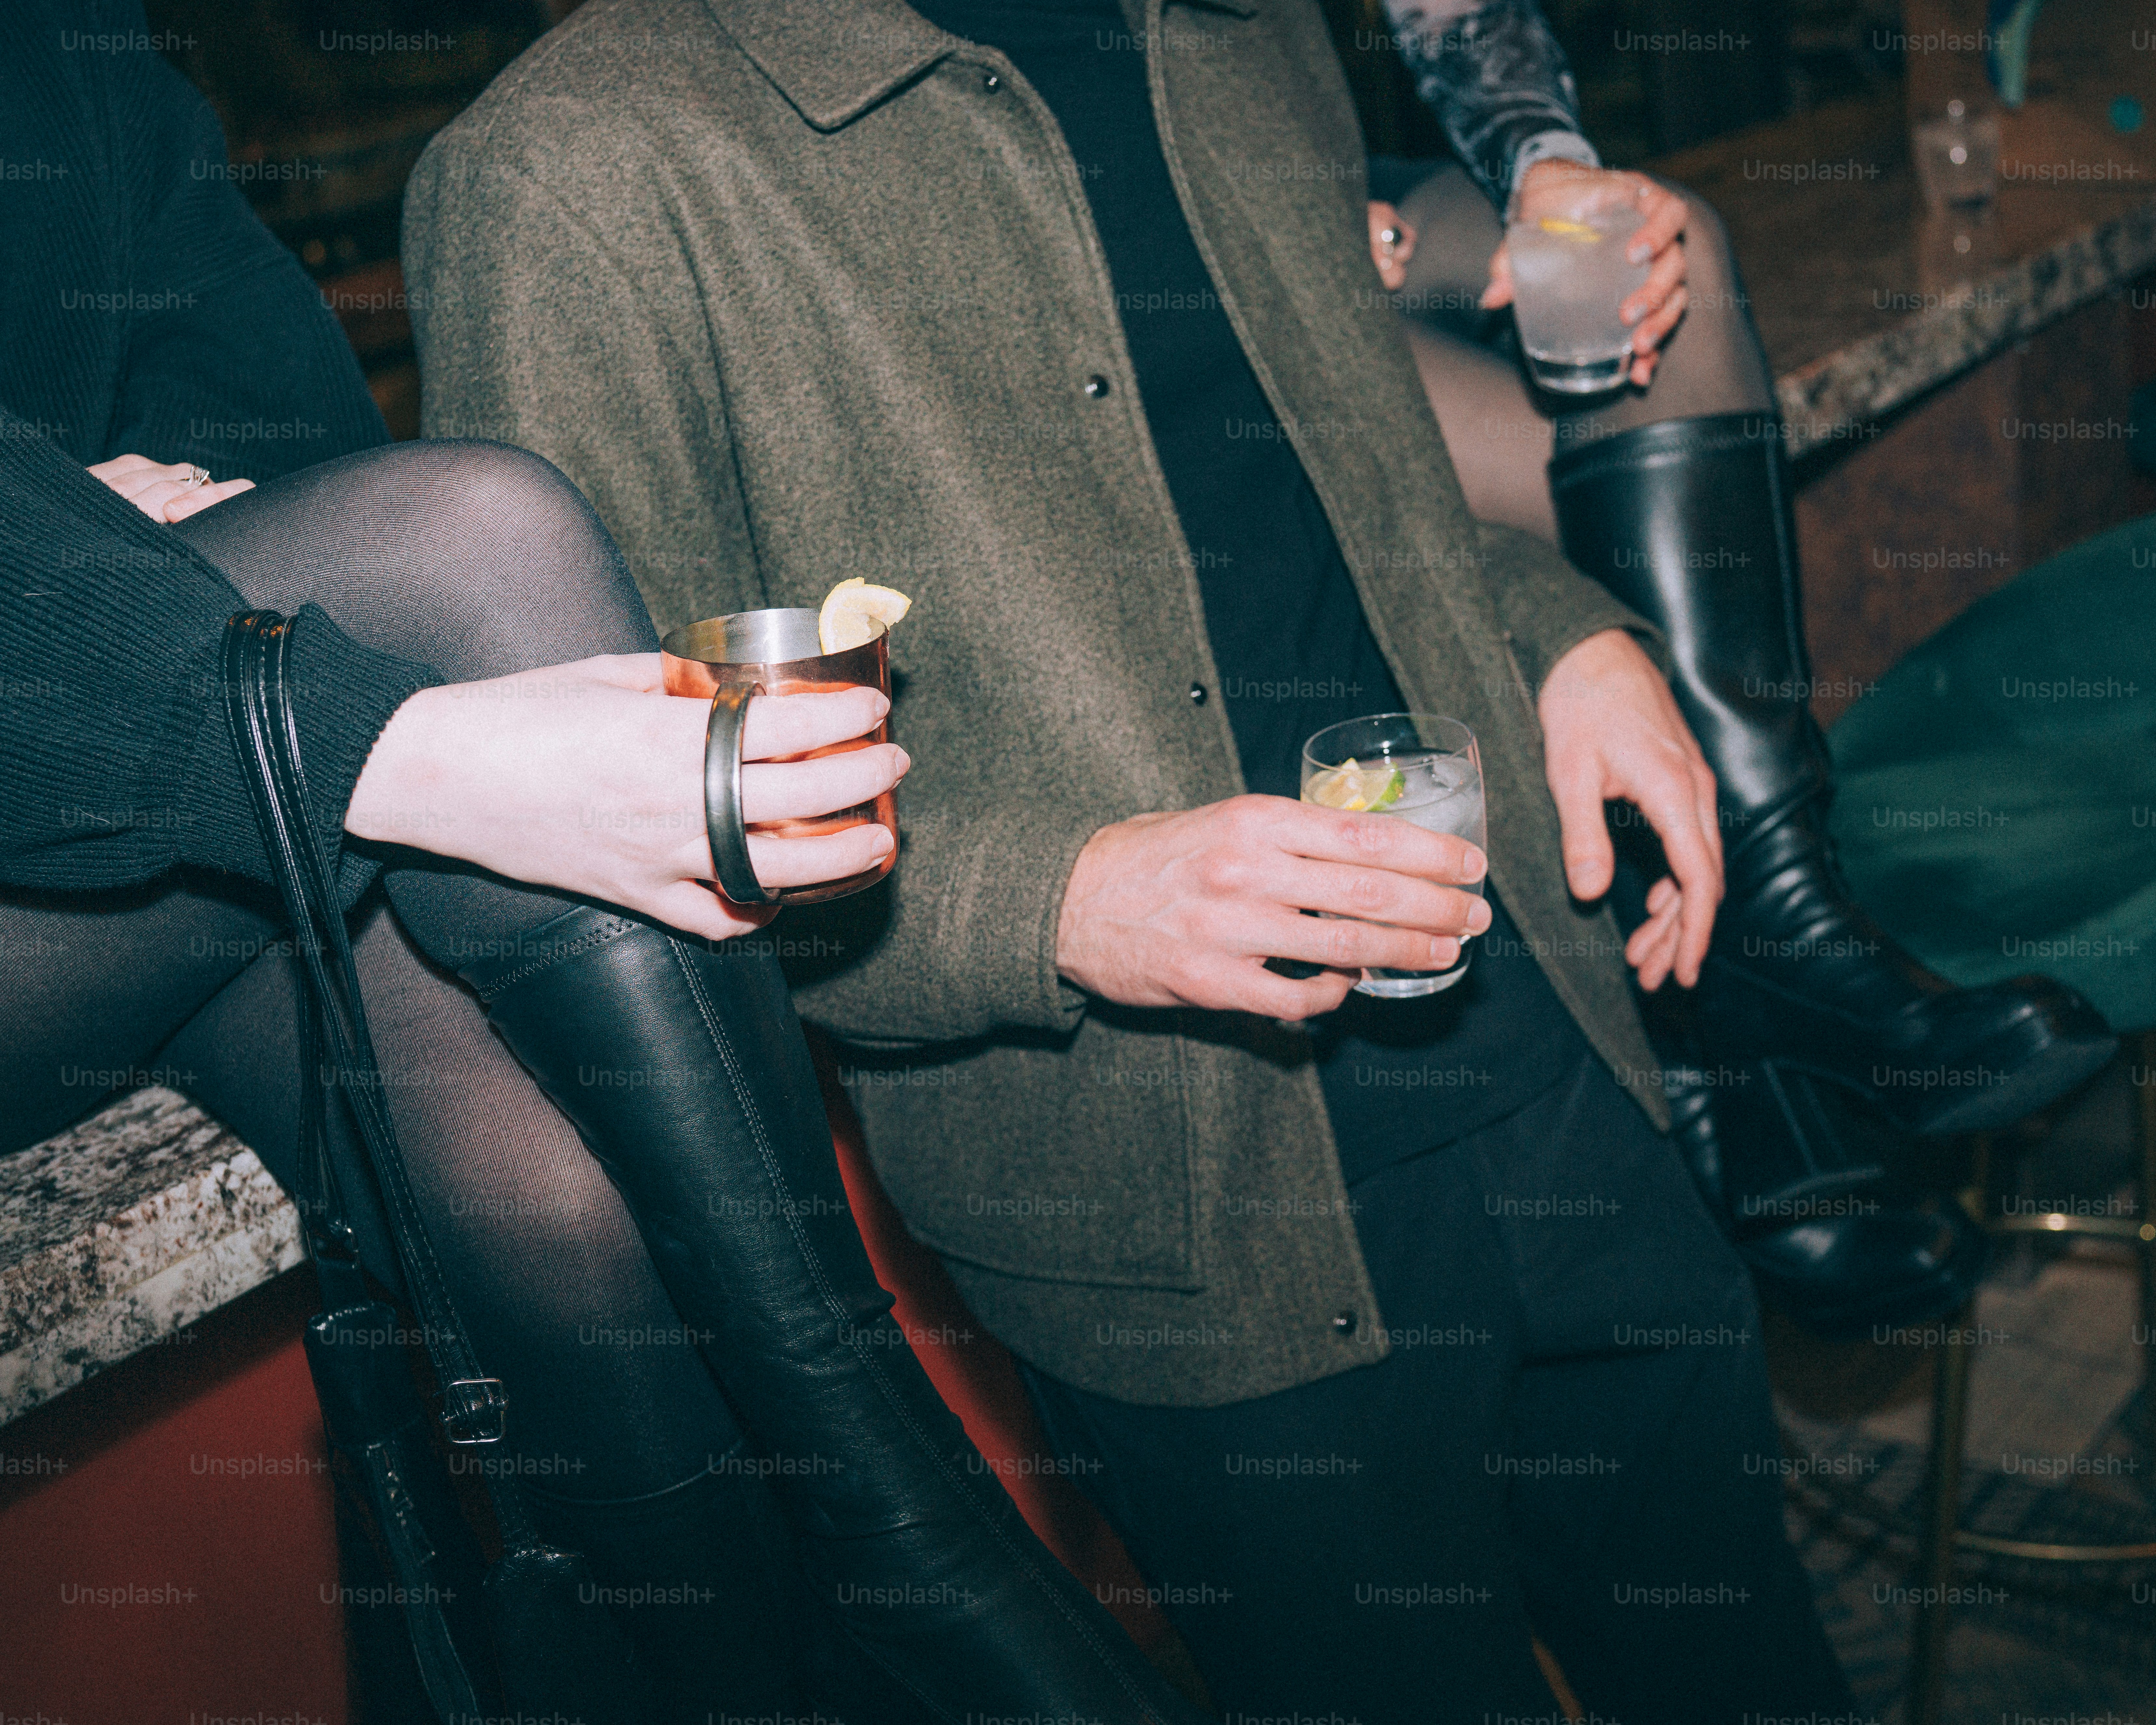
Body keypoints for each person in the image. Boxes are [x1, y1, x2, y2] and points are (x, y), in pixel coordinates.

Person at [405, 1, 1852, 1716]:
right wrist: (1067, 899)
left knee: (1748, 1666)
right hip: (1178, 1193)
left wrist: (1558, 632)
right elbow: (589, 832)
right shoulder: (570, 161)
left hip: (1552, 1034)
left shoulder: (1242, 36)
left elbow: (1338, 480)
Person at [0, 7, 1217, 1720]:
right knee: (478, 541)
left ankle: (792, 1646)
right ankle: (907, 1524)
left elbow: (294, 441)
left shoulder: (63, 52)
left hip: (103, 770)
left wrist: (126, 573)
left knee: (548, 1162)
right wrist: (105, 536)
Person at [1360, 0, 2112, 1215]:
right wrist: (1262, 238)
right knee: (1515, 465)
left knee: (1655, 240)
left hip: (1332, 183)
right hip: (1124, 274)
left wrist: (1551, 165)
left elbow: (1457, 15)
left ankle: (1776, 927)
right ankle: (1752, 1036)